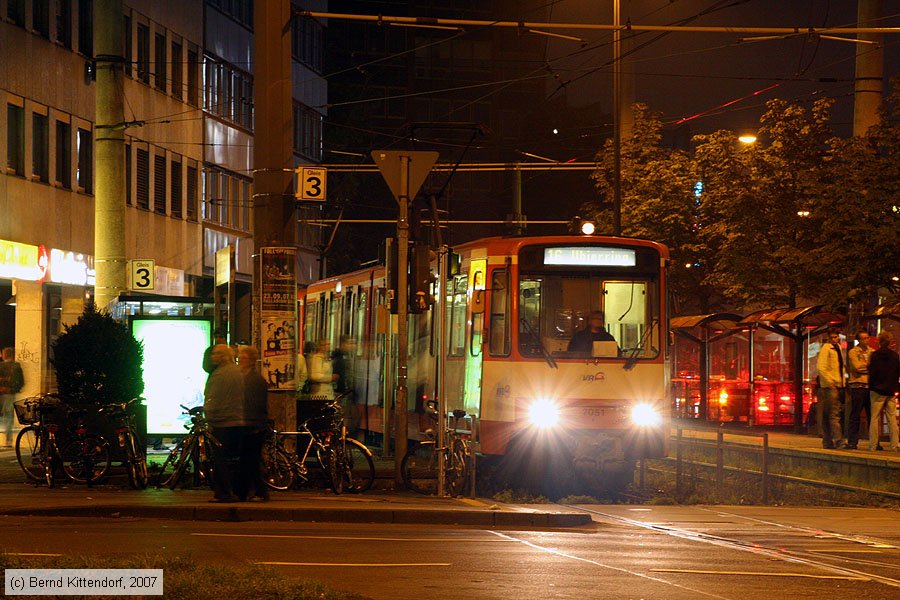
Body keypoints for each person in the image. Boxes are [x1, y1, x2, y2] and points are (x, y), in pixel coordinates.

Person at [203, 344, 245, 502]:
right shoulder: (239, 371)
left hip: (222, 422)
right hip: (238, 421)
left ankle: (223, 493)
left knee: (220, 460)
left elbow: (212, 399)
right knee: (234, 460)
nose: (212, 357)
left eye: (215, 354)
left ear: (223, 356)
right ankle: (238, 491)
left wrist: (209, 417)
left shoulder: (219, 375)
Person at [237, 345, 269, 501]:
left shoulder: (255, 380)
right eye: (239, 358)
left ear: (251, 361)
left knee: (251, 460)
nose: (240, 361)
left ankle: (259, 492)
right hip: (248, 424)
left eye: (243, 358)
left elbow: (255, 404)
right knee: (248, 460)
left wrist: (249, 421)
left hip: (253, 426)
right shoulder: (244, 378)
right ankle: (245, 492)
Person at [868, 331, 899, 452]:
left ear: (879, 342)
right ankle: (894, 444)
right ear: (890, 342)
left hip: (877, 390)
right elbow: (897, 372)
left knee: (874, 417)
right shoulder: (895, 356)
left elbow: (872, 372)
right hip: (890, 390)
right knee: (891, 418)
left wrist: (873, 385)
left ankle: (873, 444)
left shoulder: (874, 355)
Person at [816, 328, 847, 449]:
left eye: (837, 336)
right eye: (833, 337)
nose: (836, 339)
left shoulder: (837, 348)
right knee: (834, 414)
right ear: (829, 337)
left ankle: (828, 441)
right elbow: (821, 367)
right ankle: (839, 440)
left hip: (837, 385)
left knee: (829, 413)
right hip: (830, 386)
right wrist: (830, 382)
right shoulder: (826, 348)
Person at [845, 330, 874, 449]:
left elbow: (874, 367)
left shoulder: (872, 351)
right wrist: (868, 367)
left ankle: (874, 441)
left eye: (867, 338)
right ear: (859, 340)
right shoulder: (853, 352)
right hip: (858, 386)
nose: (866, 340)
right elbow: (856, 367)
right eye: (863, 338)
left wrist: (865, 367)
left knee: (872, 415)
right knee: (855, 414)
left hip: (870, 386)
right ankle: (852, 441)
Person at [0, 347, 25, 448]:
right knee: (8, 416)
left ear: (4, 355)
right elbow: (21, 381)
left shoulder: (1, 366)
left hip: (2, 393)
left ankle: (8, 439)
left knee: (6, 416)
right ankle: (8, 440)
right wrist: (12, 389)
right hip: (10, 394)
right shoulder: (16, 366)